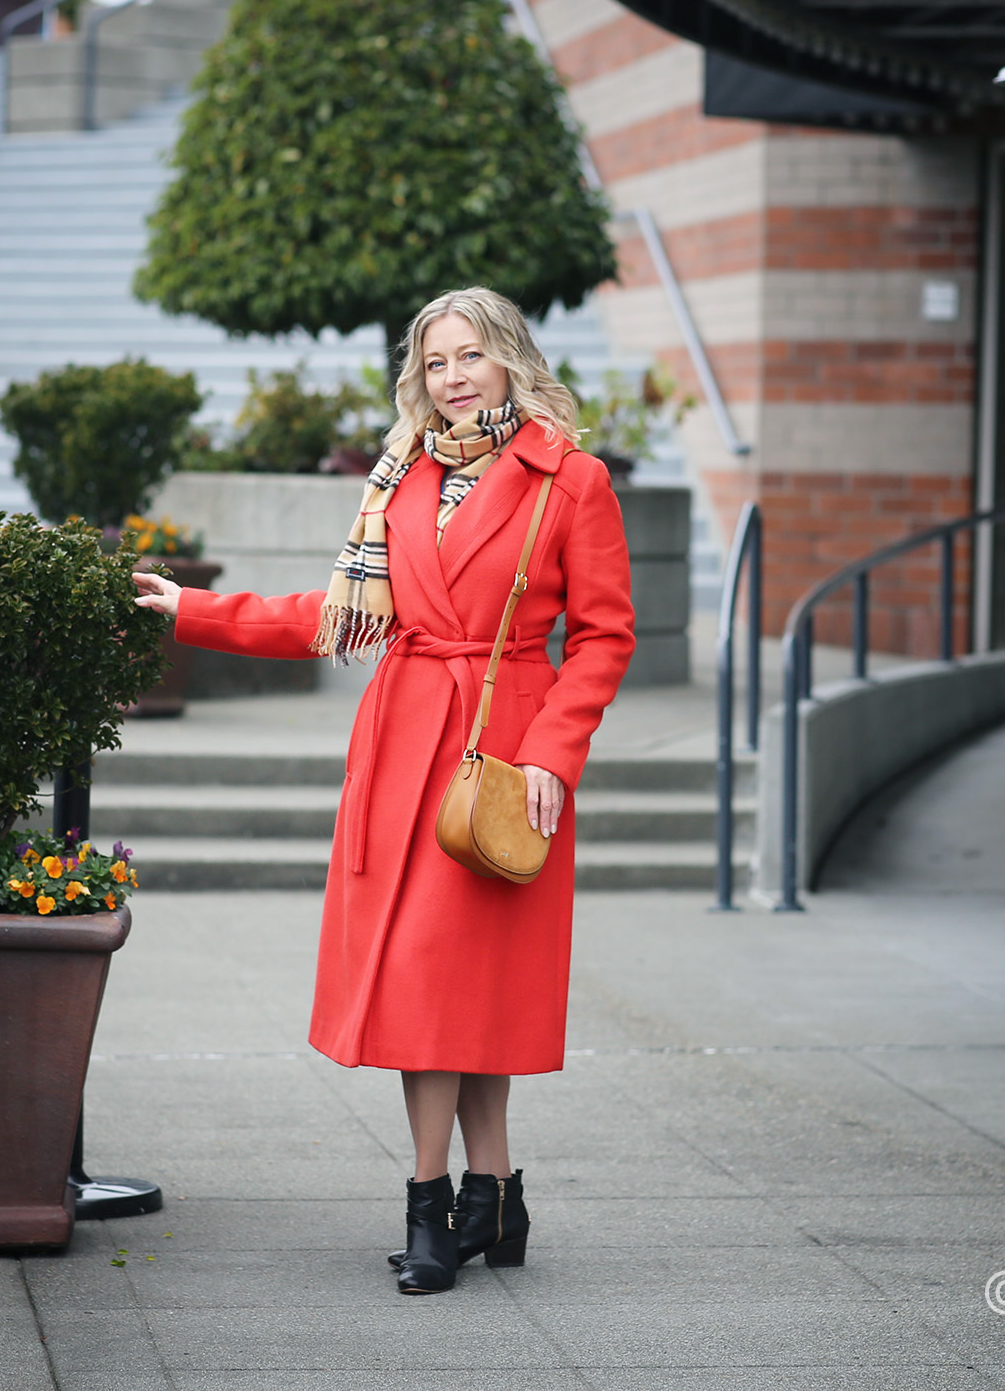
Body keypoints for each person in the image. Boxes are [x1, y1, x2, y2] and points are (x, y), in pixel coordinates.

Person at [133, 286, 635, 1294]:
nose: (453, 377)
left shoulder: (570, 480)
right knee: (429, 981)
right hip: (403, 748)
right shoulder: (402, 474)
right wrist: (193, 608)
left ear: (510, 358)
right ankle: (483, 1199)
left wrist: (552, 755)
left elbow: (603, 637)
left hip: (502, 759)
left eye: (470, 355)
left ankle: (444, 1209)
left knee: (465, 984)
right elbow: (333, 613)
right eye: (435, 361)